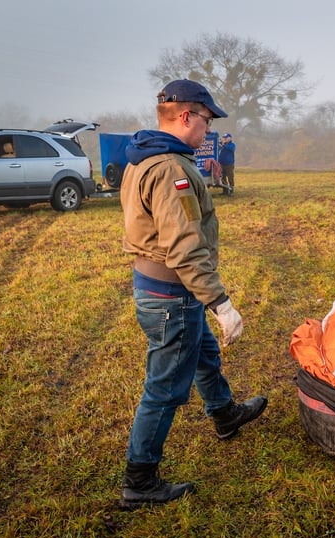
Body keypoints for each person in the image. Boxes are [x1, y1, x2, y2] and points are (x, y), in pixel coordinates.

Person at [118, 79, 267, 510]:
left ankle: (223, 414)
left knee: (202, 352)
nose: (208, 129)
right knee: (165, 387)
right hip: (172, 292)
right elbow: (184, 246)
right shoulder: (170, 170)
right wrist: (220, 303)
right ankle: (140, 479)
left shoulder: (144, 158)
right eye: (205, 119)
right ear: (185, 116)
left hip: (159, 286)